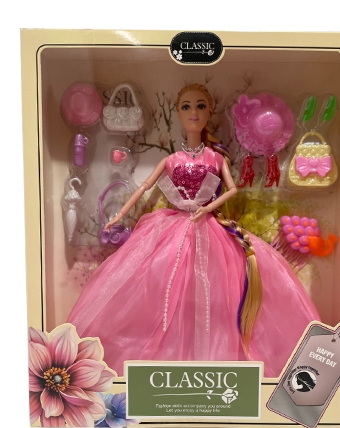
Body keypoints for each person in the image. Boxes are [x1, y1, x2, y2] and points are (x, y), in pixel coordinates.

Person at [66, 84, 320, 377]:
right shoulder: (171, 160)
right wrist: (120, 214)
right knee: (160, 286)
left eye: (200, 106)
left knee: (219, 292)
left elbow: (232, 189)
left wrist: (208, 207)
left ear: (210, 112)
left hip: (209, 227)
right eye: (186, 106)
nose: (193, 113)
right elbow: (146, 186)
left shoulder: (215, 159)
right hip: (171, 228)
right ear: (177, 112)